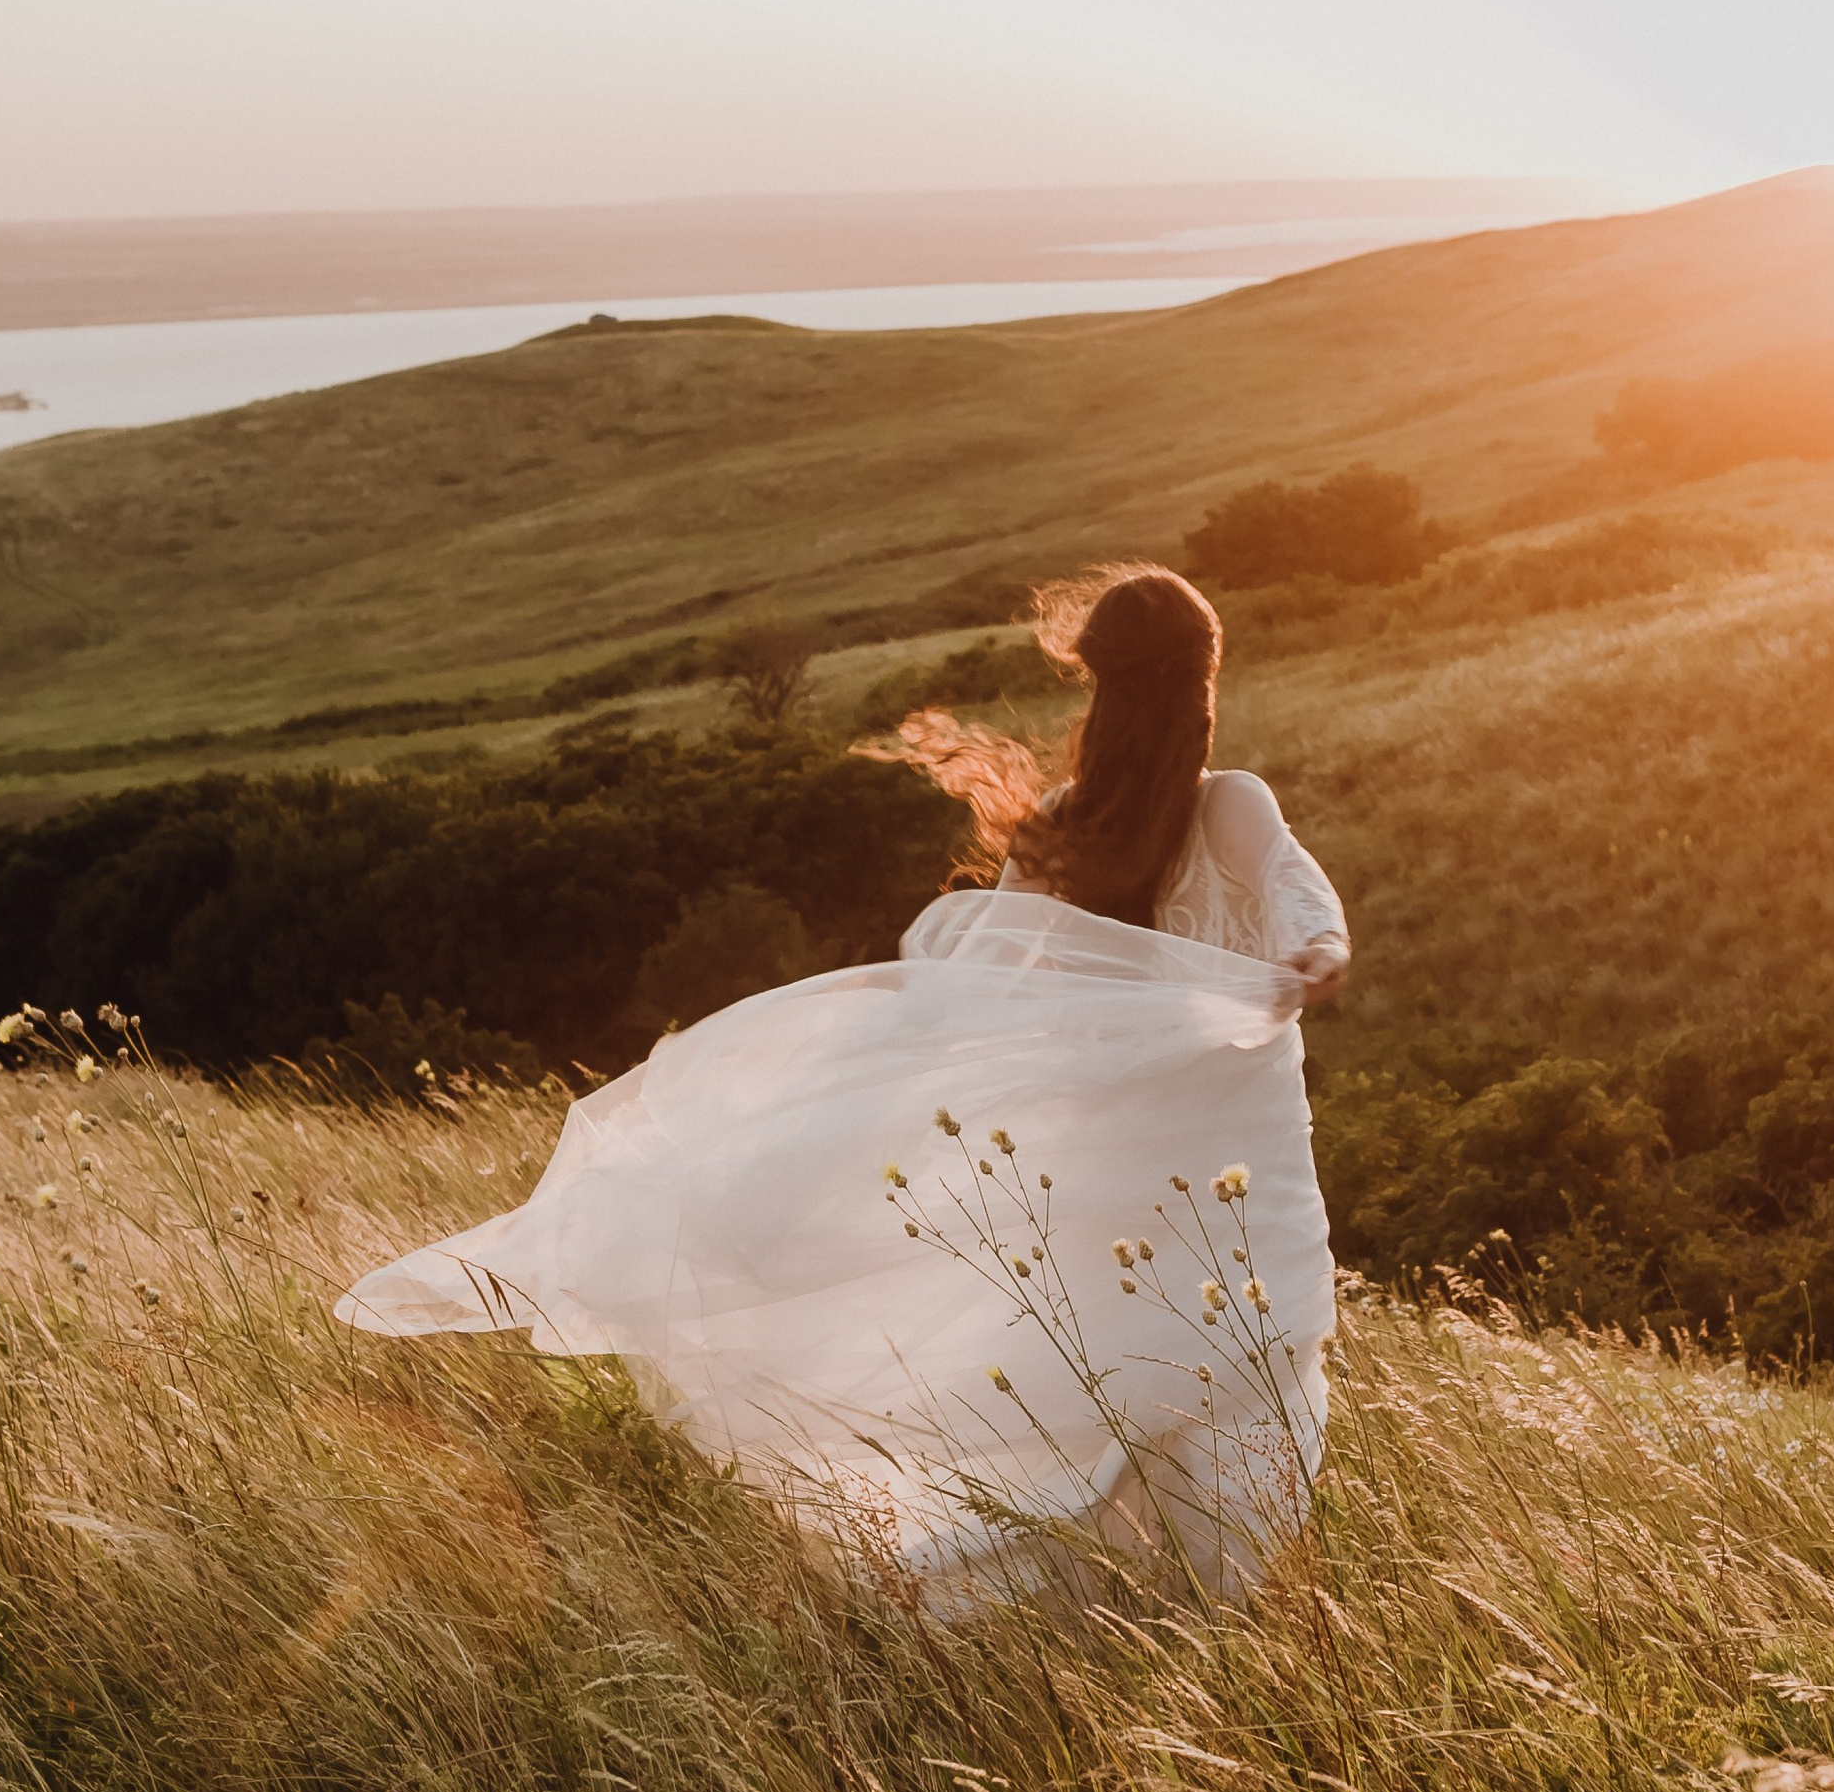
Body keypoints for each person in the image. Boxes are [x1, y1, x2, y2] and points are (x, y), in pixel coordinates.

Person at [338, 565, 1347, 1612]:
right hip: (1229, 1172)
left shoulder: (1065, 823)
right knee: (1232, 1384)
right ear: (1201, 683)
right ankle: (1141, 1611)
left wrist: (829, 1096)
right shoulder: (1223, 802)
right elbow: (1287, 887)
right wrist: (1316, 951)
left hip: (1116, 1178)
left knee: (1122, 1390)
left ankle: (1065, 1603)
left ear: (1101, 687)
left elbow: (973, 992)